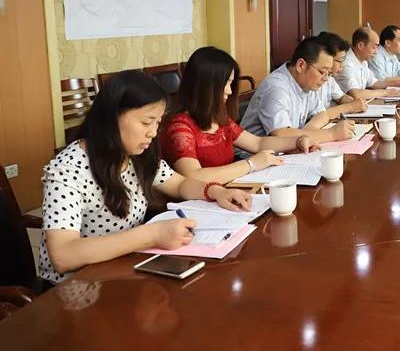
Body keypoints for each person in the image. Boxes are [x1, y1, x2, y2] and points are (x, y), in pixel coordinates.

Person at [39, 70, 253, 284]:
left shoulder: (136, 153)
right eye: (146, 122)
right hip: (75, 288)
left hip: (124, 270)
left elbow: (179, 184)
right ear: (112, 117)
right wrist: (151, 235)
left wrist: (216, 191)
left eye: (157, 122)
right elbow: (63, 255)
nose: (153, 132)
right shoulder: (68, 169)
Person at [161, 47, 320, 184]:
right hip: (199, 202)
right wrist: (251, 164)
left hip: (227, 191)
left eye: (230, 83)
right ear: (206, 86)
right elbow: (193, 176)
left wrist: (298, 141)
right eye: (225, 84)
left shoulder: (218, 118)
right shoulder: (179, 127)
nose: (230, 91)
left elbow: (257, 143)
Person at [241, 37, 356, 142]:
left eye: (328, 73)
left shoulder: (307, 83)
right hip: (256, 155)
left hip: (286, 152)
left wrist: (306, 135)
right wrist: (331, 134)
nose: (326, 78)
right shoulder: (276, 87)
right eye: (322, 71)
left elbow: (322, 114)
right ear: (301, 65)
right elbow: (281, 135)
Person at [336, 27, 400, 99]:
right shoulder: (346, 63)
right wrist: (386, 92)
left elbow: (373, 82)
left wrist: (397, 83)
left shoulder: (363, 61)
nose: (376, 52)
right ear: (360, 46)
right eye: (374, 47)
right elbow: (355, 93)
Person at [316, 31, 369, 115]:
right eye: (340, 61)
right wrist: (350, 107)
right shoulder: (312, 80)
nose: (342, 65)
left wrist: (355, 102)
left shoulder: (330, 78)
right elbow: (318, 114)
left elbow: (341, 97)